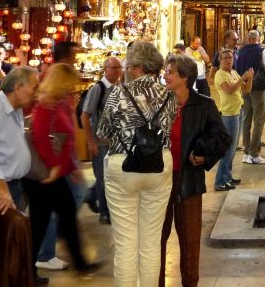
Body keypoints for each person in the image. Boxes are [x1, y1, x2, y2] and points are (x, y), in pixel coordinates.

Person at [97, 41, 178, 287]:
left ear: (139, 68)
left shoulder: (119, 93)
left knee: (125, 243)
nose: (127, 70)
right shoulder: (169, 95)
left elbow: (102, 131)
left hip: (123, 166)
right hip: (159, 165)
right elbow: (168, 127)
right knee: (152, 242)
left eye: (129, 66)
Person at [23, 64, 98, 279]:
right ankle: (78, 264)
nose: (74, 88)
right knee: (56, 218)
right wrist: (55, 166)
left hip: (53, 172)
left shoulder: (60, 103)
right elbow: (40, 138)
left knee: (46, 220)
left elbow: (67, 140)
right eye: (70, 83)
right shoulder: (46, 105)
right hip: (45, 175)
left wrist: (69, 167)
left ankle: (31, 268)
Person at [160, 55, 227, 287]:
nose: (165, 75)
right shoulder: (159, 102)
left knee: (190, 241)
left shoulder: (204, 105)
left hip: (189, 179)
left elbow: (222, 138)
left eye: (171, 72)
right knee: (156, 241)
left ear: (185, 77)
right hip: (159, 180)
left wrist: (204, 156)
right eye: (166, 71)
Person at [0, 66, 39, 213]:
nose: (36, 93)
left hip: (12, 185)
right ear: (18, 87)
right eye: (34, 88)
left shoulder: (15, 108)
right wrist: (2, 188)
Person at [81, 55, 122, 224]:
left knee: (113, 179)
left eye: (120, 68)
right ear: (106, 69)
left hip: (115, 143)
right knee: (103, 179)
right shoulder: (98, 89)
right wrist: (91, 141)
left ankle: (104, 205)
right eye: (114, 68)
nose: (118, 71)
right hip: (100, 143)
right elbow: (85, 116)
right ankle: (104, 212)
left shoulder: (119, 87)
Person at [214, 48, 252, 190]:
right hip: (229, 114)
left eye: (230, 58)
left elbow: (246, 90)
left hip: (238, 111)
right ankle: (219, 181)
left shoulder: (234, 73)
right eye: (225, 58)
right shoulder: (220, 74)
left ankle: (227, 177)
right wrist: (242, 78)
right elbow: (229, 90)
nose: (229, 60)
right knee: (228, 148)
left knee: (233, 147)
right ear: (220, 60)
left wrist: (250, 78)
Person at [239, 30, 265, 165]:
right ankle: (254, 154)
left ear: (249, 39)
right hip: (259, 89)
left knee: (247, 119)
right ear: (259, 39)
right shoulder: (262, 51)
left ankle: (246, 152)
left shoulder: (242, 50)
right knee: (259, 120)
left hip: (245, 87)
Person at [208, 29, 239, 104]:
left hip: (237, 89)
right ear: (227, 40)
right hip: (226, 91)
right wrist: (222, 84)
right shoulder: (220, 54)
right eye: (234, 40)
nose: (236, 42)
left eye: (237, 39)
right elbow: (212, 74)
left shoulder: (236, 53)